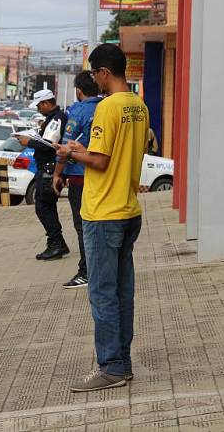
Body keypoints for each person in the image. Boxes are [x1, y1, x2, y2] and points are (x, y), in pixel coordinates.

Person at [56, 44, 149, 392]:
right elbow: (127, 152)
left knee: (102, 293)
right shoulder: (139, 107)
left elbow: (101, 160)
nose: (94, 79)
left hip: (102, 212)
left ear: (104, 73)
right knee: (123, 290)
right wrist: (86, 153)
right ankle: (120, 361)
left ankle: (110, 365)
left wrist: (71, 153)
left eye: (94, 73)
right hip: (128, 208)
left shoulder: (108, 108)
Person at [53, 71, 101, 289]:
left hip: (80, 177)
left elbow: (65, 148)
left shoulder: (78, 111)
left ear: (78, 91)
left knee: (83, 227)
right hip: (102, 175)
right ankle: (101, 270)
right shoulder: (106, 107)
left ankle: (86, 272)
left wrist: (57, 174)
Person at [17, 89, 69, 261]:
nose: (38, 109)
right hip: (47, 168)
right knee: (47, 206)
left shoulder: (57, 118)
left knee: (43, 207)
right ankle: (57, 242)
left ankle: (56, 243)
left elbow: (49, 145)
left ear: (47, 103)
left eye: (39, 105)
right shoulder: (52, 118)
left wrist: (29, 142)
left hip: (49, 168)